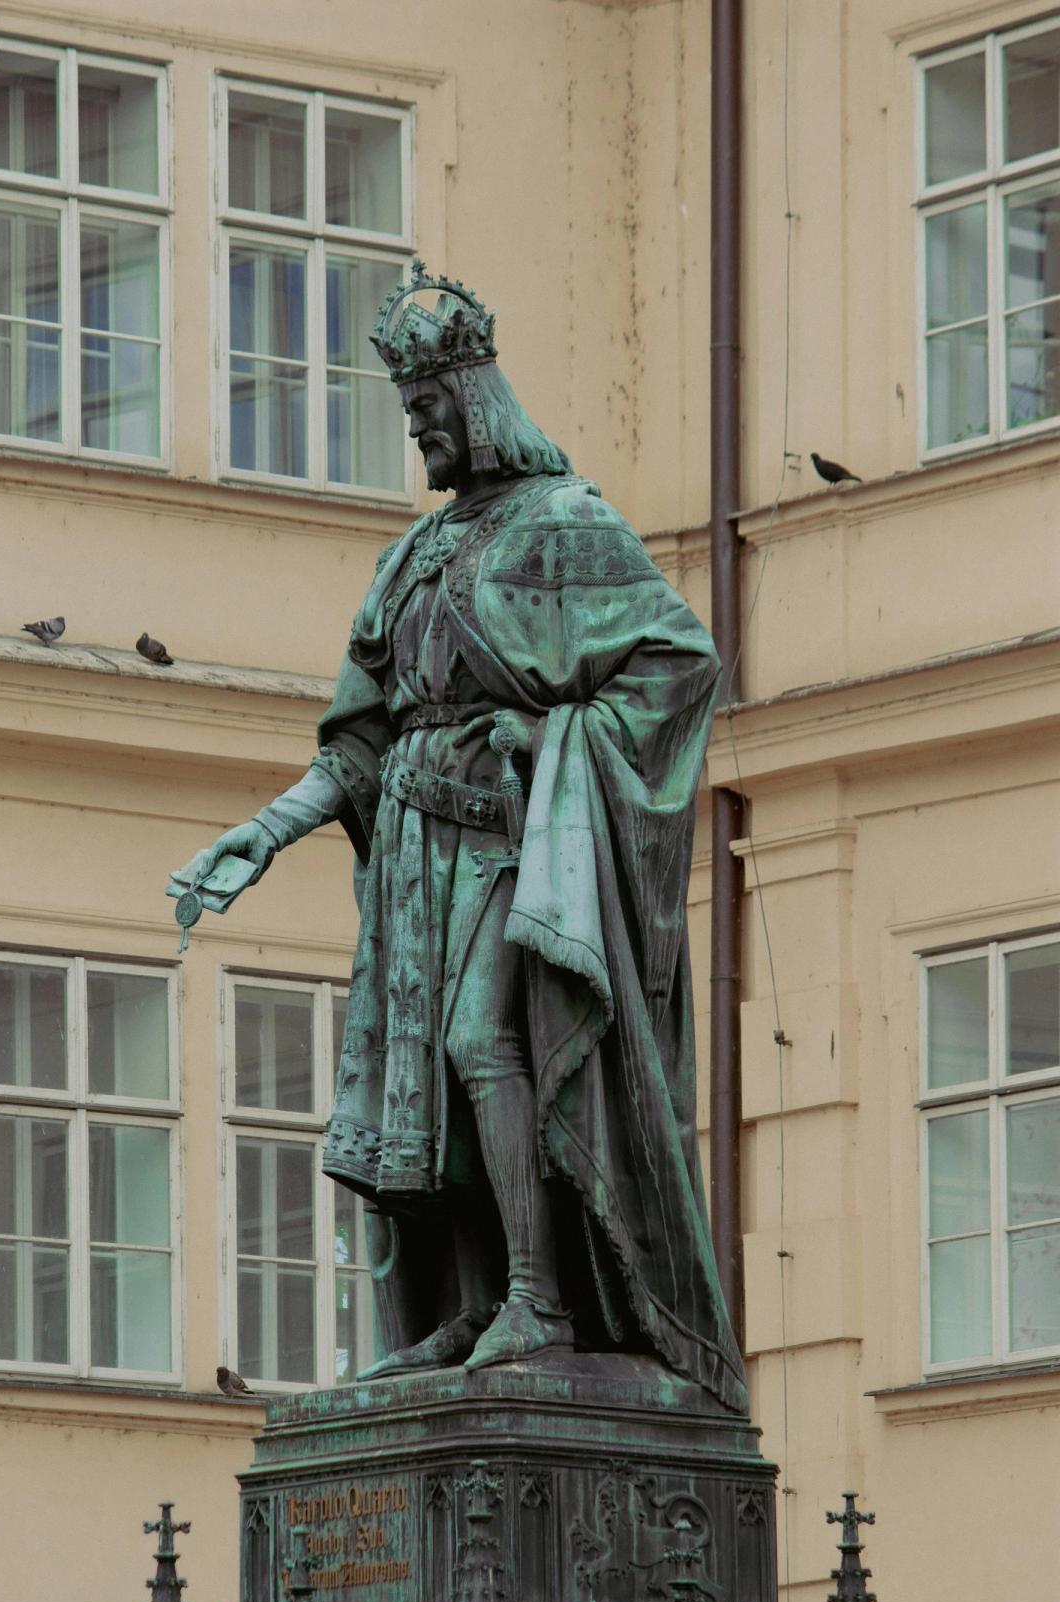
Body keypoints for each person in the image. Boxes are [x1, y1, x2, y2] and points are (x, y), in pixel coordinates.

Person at [179, 263, 746, 1411]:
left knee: (486, 1041)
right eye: (407, 413)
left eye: (428, 409)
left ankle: (543, 1292)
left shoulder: (566, 526)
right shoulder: (411, 558)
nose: (418, 432)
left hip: (508, 844)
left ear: (474, 400)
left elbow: (679, 663)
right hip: (411, 862)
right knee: (426, 1076)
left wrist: (550, 738)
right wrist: (263, 833)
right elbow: (358, 744)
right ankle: (474, 1306)